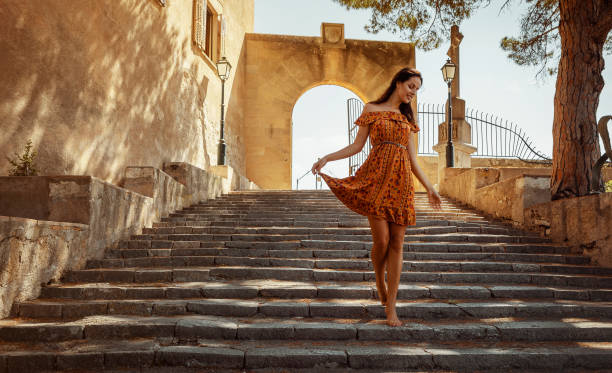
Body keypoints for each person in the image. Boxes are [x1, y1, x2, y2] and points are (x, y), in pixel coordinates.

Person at [311, 67, 442, 327]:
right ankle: (378, 275)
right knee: (381, 241)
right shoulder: (371, 109)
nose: (413, 93)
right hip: (375, 180)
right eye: (411, 87)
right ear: (398, 83)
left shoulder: (408, 119)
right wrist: (327, 157)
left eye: (417, 90)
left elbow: (413, 160)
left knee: (397, 243)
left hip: (402, 182)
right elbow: (357, 146)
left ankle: (391, 307)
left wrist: (429, 187)